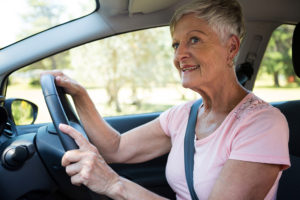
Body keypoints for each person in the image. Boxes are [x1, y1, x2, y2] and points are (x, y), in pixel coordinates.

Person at [42, 0, 290, 199]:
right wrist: (80, 95)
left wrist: (114, 184)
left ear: (232, 48)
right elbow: (117, 148)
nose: (180, 54)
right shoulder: (183, 115)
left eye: (194, 39)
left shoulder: (263, 124)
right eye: (175, 44)